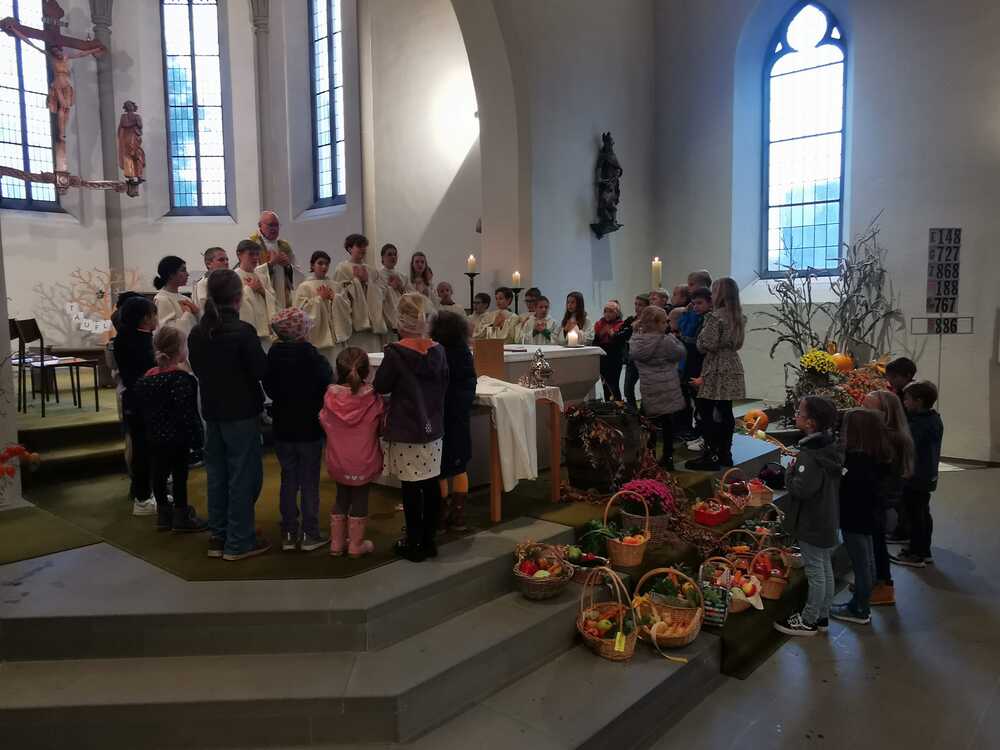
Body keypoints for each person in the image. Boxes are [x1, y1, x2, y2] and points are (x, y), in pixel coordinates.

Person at [188, 269, 270, 561]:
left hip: (212, 411)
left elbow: (198, 369)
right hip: (241, 412)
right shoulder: (243, 332)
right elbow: (260, 370)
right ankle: (239, 541)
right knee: (243, 476)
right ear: (238, 297)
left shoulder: (198, 333)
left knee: (217, 475)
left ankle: (219, 535)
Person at [373, 293, 449, 562]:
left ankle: (414, 543)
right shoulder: (438, 351)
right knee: (431, 484)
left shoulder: (396, 353)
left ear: (401, 319)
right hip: (433, 425)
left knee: (411, 488)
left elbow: (381, 385)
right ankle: (429, 540)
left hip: (407, 427)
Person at [263, 307, 333, 553]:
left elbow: (269, 387)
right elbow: (328, 384)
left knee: (288, 479)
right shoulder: (313, 357)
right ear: (303, 330)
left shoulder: (272, 356)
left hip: (283, 427)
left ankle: (289, 533)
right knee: (310, 481)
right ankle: (310, 533)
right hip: (310, 427)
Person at [774, 396, 843, 637]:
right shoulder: (829, 446)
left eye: (799, 413)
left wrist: (789, 473)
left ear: (811, 423)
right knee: (824, 567)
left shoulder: (810, 455)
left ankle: (808, 620)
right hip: (826, 517)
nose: (796, 415)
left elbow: (802, 489)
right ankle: (822, 616)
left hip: (812, 520)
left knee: (815, 571)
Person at [132, 325, 207, 533]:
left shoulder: (146, 379)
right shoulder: (182, 379)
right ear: (180, 351)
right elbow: (188, 413)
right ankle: (181, 514)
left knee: (159, 474)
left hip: (154, 436)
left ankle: (163, 515)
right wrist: (197, 440)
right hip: (178, 437)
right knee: (179, 476)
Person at [832, 408, 893, 625]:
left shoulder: (857, 463)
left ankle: (859, 608)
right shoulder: (878, 455)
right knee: (867, 561)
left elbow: (849, 489)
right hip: (871, 516)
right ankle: (862, 602)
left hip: (856, 518)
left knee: (861, 564)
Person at [862, 389, 914, 605]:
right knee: (874, 544)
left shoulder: (888, 439)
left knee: (877, 546)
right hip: (882, 499)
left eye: (868, 408)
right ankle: (876, 583)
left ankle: (884, 586)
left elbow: (875, 472)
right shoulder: (892, 435)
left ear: (886, 413)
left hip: (879, 500)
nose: (862, 412)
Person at [688, 277, 745, 470]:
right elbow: (738, 343)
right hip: (732, 363)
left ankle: (710, 455)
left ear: (720, 294)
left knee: (706, 410)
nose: (711, 295)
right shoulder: (737, 316)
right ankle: (725, 453)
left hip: (716, 365)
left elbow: (707, 344)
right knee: (725, 410)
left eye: (713, 292)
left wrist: (699, 341)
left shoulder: (715, 317)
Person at [112, 296, 159, 516]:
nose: (156, 319)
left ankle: (149, 493)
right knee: (142, 450)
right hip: (140, 400)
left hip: (139, 398)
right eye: (154, 315)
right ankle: (142, 498)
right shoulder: (135, 341)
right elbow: (144, 371)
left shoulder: (131, 337)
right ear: (145, 318)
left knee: (147, 449)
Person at [432, 310, 477, 532]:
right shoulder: (464, 352)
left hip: (439, 416)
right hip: (459, 416)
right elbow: (470, 382)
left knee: (439, 469)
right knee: (460, 467)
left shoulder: (435, 352)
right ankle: (459, 515)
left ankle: (440, 515)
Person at [891, 381, 944, 568]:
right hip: (926, 474)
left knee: (916, 515)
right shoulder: (933, 418)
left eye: (907, 399)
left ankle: (917, 554)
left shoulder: (920, 424)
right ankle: (923, 550)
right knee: (922, 513)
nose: (904, 403)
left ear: (919, 401)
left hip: (916, 475)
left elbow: (907, 445)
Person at [628, 305, 685, 469]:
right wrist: (673, 337)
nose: (667, 324)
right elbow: (680, 353)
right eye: (665, 322)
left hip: (649, 387)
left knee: (648, 423)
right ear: (657, 323)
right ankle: (668, 456)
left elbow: (634, 355)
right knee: (667, 422)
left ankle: (649, 456)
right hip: (667, 386)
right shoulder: (666, 340)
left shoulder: (637, 341)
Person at [294, 250, 352, 362]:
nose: (324, 267)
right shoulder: (304, 286)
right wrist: (319, 299)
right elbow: (300, 312)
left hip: (335, 338)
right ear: (312, 265)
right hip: (316, 338)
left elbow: (347, 307)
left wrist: (335, 298)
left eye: (326, 264)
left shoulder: (336, 285)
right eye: (320, 263)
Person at [333, 233, 386, 353]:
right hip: (354, 324)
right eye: (359, 246)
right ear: (350, 248)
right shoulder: (342, 268)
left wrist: (368, 282)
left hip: (372, 325)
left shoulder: (371, 270)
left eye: (364, 246)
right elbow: (339, 295)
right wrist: (356, 282)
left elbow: (381, 293)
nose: (363, 249)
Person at [250, 211, 303, 310]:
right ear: (260, 225)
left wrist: (288, 266)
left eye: (277, 225)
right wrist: (271, 264)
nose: (274, 228)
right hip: (261, 299)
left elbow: (299, 274)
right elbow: (249, 273)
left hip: (283, 299)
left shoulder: (284, 246)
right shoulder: (252, 245)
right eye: (271, 225)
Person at [678, 287, 710, 444]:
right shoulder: (696, 316)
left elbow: (699, 343)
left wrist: (683, 339)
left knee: (702, 403)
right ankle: (696, 431)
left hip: (701, 364)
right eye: (694, 303)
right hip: (691, 363)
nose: (696, 306)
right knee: (694, 400)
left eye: (699, 303)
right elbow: (684, 329)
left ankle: (703, 433)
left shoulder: (708, 319)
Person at [234, 239, 275, 349]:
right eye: (251, 254)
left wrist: (262, 291)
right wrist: (249, 289)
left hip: (265, 329)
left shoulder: (262, 277)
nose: (255, 258)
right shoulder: (233, 276)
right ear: (239, 255)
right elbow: (233, 301)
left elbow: (273, 299)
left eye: (257, 254)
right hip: (246, 327)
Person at [153, 256, 199, 335]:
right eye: (183, 270)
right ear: (171, 274)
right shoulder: (162, 299)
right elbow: (166, 331)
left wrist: (197, 312)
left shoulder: (185, 299)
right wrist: (187, 314)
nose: (187, 274)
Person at [593, 300, 628, 401]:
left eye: (611, 311)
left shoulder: (621, 325)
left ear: (617, 313)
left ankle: (617, 406)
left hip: (615, 358)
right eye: (605, 311)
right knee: (605, 385)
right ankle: (609, 406)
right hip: (603, 358)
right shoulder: (599, 324)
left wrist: (612, 334)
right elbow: (595, 343)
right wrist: (601, 334)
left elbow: (621, 342)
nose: (607, 314)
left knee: (613, 385)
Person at [622, 294, 649, 409]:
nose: (637, 307)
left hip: (645, 359)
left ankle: (644, 412)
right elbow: (621, 335)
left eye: (640, 305)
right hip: (632, 358)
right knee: (627, 388)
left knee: (645, 388)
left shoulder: (651, 321)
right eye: (636, 304)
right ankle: (633, 412)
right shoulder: (631, 320)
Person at [378, 243, 408, 336]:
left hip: (403, 320)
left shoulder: (403, 276)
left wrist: (400, 287)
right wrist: (389, 288)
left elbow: (411, 299)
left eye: (395, 254)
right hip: (386, 321)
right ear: (383, 258)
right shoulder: (377, 275)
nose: (393, 257)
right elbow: (377, 297)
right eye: (389, 254)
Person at [193, 247, 229, 311]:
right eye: (221, 260)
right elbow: (206, 309)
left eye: (227, 259)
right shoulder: (203, 284)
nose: (226, 262)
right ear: (209, 264)